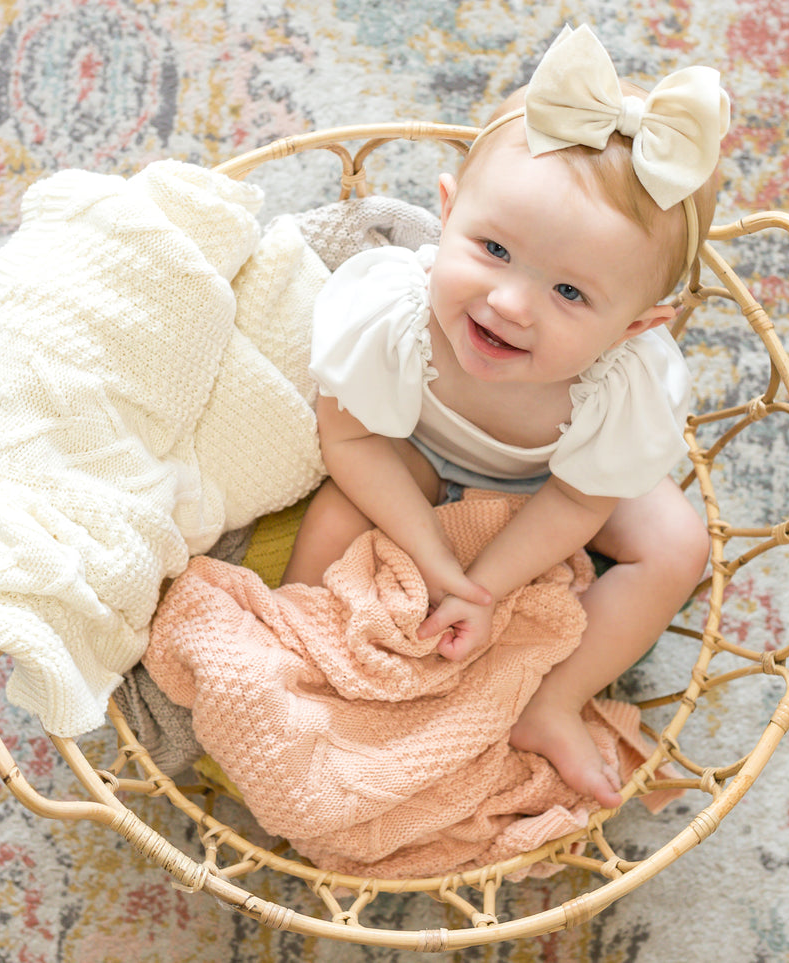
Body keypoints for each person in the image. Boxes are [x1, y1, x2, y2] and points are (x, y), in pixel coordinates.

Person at [282, 24, 727, 809]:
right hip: (412, 447)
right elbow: (347, 435)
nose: (510, 303)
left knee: (676, 543)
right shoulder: (390, 313)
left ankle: (552, 700)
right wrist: (430, 554)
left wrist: (482, 589)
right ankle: (298, 670)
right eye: (491, 248)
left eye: (569, 293)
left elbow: (579, 500)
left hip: (551, 478)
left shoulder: (621, 389)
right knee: (332, 516)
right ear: (446, 214)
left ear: (634, 327)